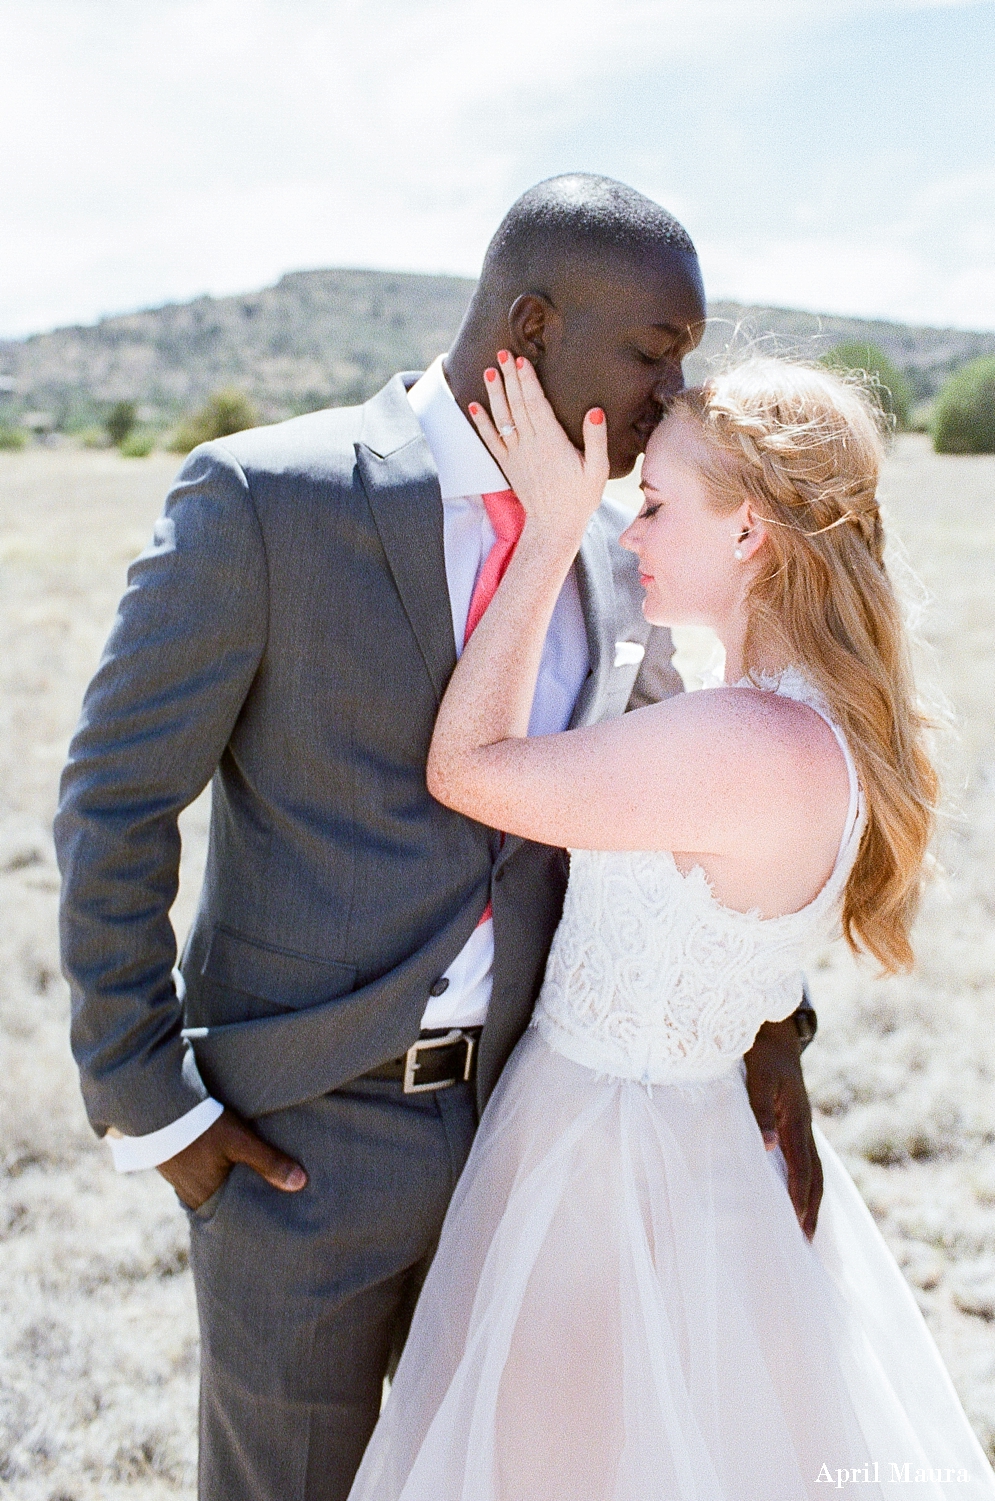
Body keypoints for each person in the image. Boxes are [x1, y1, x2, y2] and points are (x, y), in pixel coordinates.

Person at [55, 176, 818, 1501]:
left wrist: (772, 1041)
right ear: (530, 323)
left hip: (528, 1140)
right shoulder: (265, 500)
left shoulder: (602, 545)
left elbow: (684, 801)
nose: (673, 393)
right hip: (294, 1147)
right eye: (655, 351)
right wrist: (146, 1098)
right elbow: (112, 799)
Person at [346, 354, 995, 1501]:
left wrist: (547, 534)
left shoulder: (745, 744)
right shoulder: (782, 721)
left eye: (650, 501)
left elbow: (466, 767)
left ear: (749, 532)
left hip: (606, 1167)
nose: (626, 527)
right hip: (681, 1146)